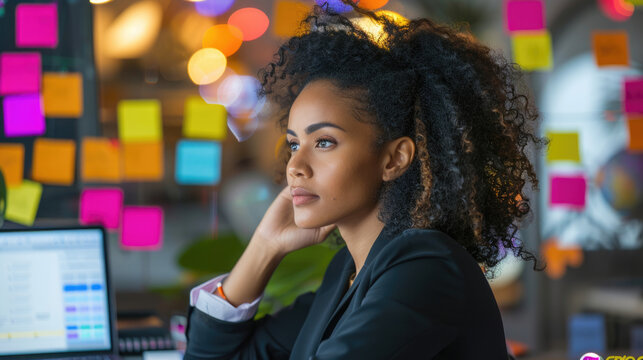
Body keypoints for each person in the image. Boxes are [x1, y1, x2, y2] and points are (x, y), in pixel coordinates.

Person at [184, 1, 547, 359]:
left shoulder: (426, 269)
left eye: (324, 141)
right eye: (295, 143)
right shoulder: (346, 274)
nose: (295, 165)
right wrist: (265, 247)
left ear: (394, 159)